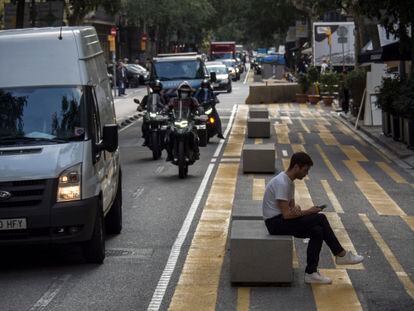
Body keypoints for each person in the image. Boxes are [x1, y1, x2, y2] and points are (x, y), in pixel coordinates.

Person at [262, 152, 364, 284]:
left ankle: (311, 273)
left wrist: (298, 208)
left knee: (317, 230)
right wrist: (308, 211)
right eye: (305, 170)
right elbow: (287, 215)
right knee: (319, 218)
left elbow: (291, 208)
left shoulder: (289, 182)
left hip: (281, 220)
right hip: (275, 223)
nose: (306, 174)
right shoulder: (282, 182)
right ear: (296, 167)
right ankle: (341, 254)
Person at [164, 81, 203, 162]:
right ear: (179, 92)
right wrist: (163, 113)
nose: (184, 93)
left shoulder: (192, 100)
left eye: (186, 92)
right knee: (167, 137)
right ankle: (169, 154)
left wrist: (201, 113)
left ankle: (196, 152)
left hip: (189, 121)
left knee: (195, 137)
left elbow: (199, 107)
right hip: (175, 121)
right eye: (182, 92)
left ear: (189, 93)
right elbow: (167, 107)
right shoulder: (173, 100)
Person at [137, 80, 167, 146]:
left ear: (160, 88)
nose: (156, 89)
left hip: (161, 114)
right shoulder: (147, 97)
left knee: (168, 126)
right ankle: (145, 138)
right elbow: (142, 104)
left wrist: (168, 108)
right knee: (144, 125)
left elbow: (169, 104)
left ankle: (167, 140)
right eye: (155, 87)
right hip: (151, 113)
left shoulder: (164, 97)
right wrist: (140, 107)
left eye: (157, 87)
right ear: (152, 88)